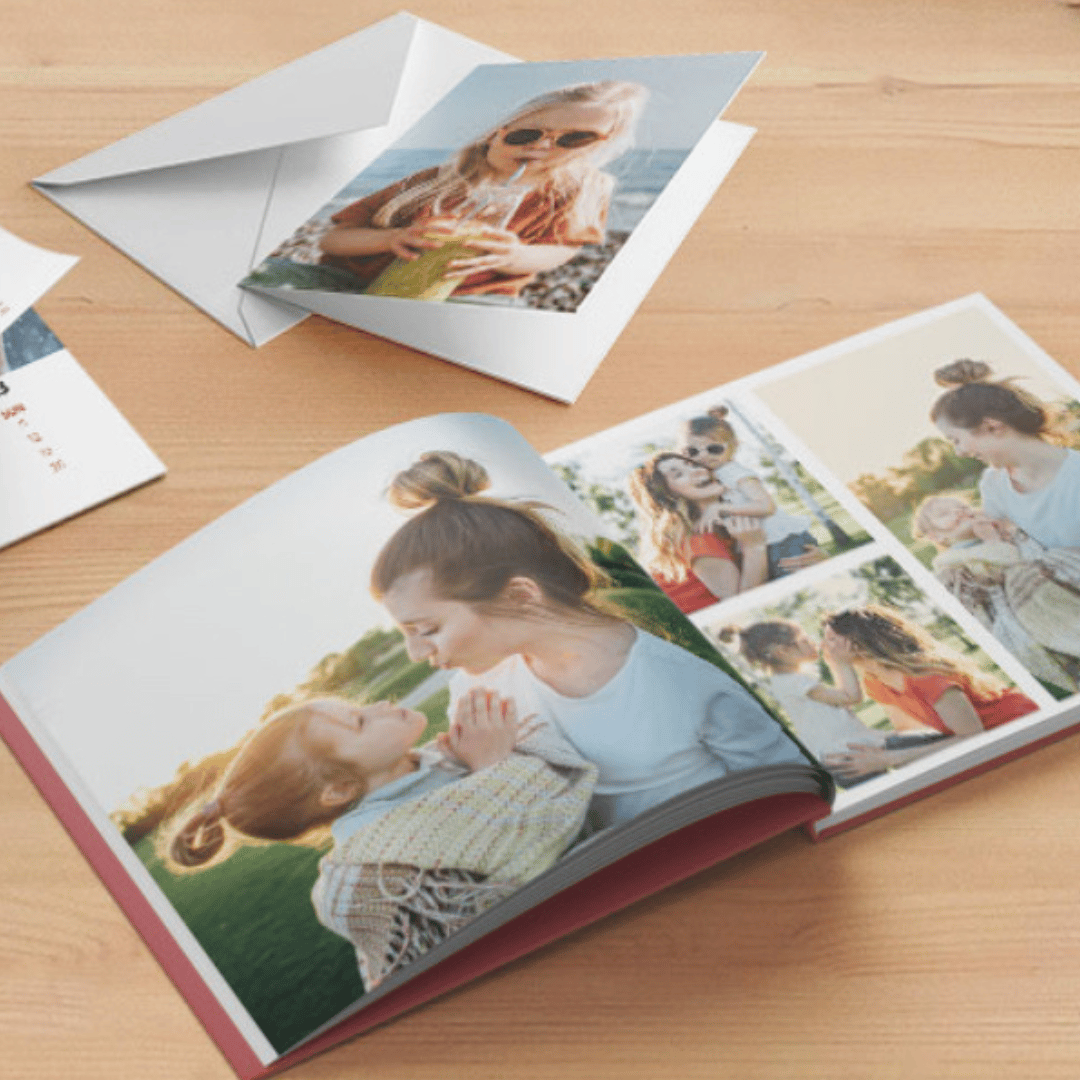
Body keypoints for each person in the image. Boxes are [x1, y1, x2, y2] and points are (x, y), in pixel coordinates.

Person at [371, 450, 812, 834]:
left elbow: (789, 788)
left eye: (426, 630)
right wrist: (483, 771)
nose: (417, 653)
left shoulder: (680, 679)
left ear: (520, 596)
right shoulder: (476, 693)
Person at [166, 692, 596, 989]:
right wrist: (493, 770)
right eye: (359, 721)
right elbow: (514, 883)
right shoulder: (380, 863)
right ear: (339, 790)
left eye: (358, 707)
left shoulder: (440, 761)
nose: (379, 706)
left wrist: (473, 767)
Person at [315, 81, 649, 300]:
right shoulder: (432, 182)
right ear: (495, 133)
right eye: (526, 135)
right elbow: (332, 240)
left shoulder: (577, 192)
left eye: (575, 138)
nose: (542, 147)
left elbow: (561, 250)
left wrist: (514, 256)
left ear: (596, 146)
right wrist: (392, 238)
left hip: (470, 295)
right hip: (356, 282)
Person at [815, 605, 1039, 779]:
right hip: (983, 741)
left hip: (1021, 726)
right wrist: (865, 748)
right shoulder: (875, 681)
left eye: (832, 639)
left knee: (901, 758)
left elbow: (973, 736)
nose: (824, 647)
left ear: (859, 640)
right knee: (900, 754)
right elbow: (907, 730)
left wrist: (887, 759)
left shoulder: (926, 677)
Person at [912, 492, 1080, 691]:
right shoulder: (951, 567)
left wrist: (1004, 532)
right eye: (944, 513)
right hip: (1019, 612)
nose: (959, 511)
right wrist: (992, 541)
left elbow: (1034, 552)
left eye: (963, 506)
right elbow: (998, 576)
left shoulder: (1006, 531)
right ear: (936, 536)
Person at [931, 359, 1080, 551]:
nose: (959, 453)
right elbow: (996, 546)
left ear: (992, 427)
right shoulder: (994, 484)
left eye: (956, 440)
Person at [717, 621, 886, 786]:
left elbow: (839, 699)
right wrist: (842, 661)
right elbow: (851, 697)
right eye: (804, 640)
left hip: (845, 755)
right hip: (847, 758)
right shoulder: (795, 682)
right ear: (782, 651)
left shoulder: (786, 681)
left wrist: (834, 663)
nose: (813, 642)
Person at [680, 406, 824, 581]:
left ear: (734, 446)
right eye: (693, 451)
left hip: (782, 542)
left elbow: (766, 506)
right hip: (763, 543)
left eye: (714, 449)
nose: (703, 456)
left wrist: (719, 509)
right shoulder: (713, 475)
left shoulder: (733, 471)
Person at [627, 451, 770, 612]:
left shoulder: (723, 521)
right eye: (679, 474)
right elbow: (741, 606)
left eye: (693, 465)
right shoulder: (697, 538)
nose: (698, 471)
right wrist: (754, 547)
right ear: (670, 496)